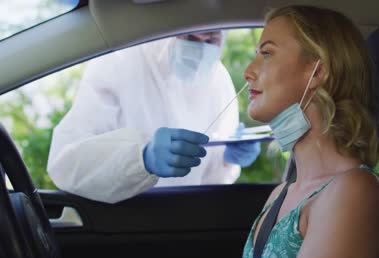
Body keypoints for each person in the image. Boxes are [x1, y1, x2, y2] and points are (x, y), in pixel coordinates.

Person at [240, 5, 379, 258]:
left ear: (317, 72)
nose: (248, 72)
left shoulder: (354, 192)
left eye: (267, 53)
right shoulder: (281, 195)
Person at [47, 31, 261, 204]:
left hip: (192, 218)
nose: (202, 48)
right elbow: (66, 165)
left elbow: (212, 178)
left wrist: (226, 158)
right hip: (128, 221)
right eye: (190, 38)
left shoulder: (217, 78)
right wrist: (142, 159)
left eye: (212, 39)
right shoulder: (118, 62)